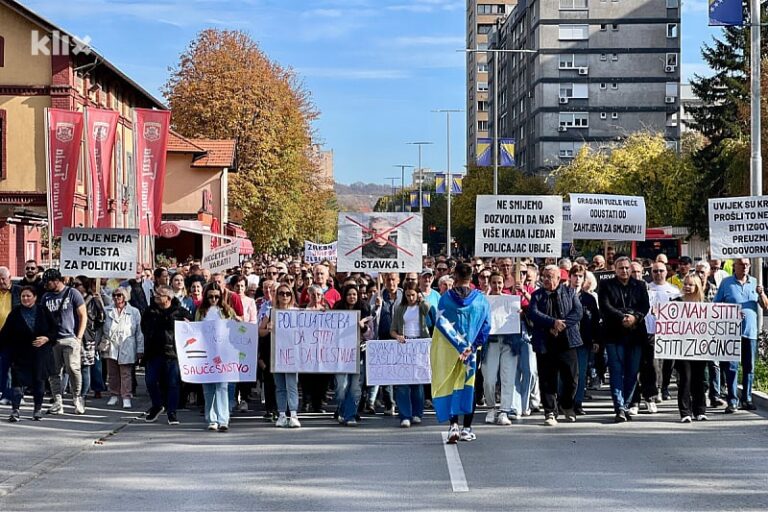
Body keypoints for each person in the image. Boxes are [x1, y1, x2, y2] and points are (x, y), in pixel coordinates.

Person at [432, 263, 491, 443]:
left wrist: (458, 345)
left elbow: (441, 323)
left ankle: (453, 425)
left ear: (455, 276)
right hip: (472, 353)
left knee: (451, 384)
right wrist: (471, 347)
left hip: (451, 352)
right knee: (469, 385)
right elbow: (486, 326)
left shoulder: (445, 299)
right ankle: (467, 427)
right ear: (471, 277)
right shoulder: (481, 300)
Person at [528, 265, 583, 426]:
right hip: (545, 342)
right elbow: (534, 313)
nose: (546, 279)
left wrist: (561, 325)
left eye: (550, 277)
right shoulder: (537, 295)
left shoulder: (570, 293)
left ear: (558, 279)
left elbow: (577, 313)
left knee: (572, 378)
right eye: (544, 276)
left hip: (567, 341)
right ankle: (550, 411)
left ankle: (566, 405)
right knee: (547, 379)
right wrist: (552, 323)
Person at [598, 256, 650, 423]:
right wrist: (622, 316)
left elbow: (644, 306)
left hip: (635, 335)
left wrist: (634, 317)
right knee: (616, 371)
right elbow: (605, 306)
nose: (625, 271)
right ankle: (619, 406)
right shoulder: (606, 285)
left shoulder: (640, 285)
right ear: (615, 269)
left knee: (632, 372)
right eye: (621, 268)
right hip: (614, 334)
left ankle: (626, 404)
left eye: (627, 268)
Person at [714, 258, 768, 413]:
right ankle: (732, 401)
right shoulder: (726, 283)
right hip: (731, 333)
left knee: (749, 367)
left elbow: (765, 305)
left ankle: (747, 398)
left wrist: (762, 293)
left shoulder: (755, 282)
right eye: (741, 264)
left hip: (750, 333)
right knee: (731, 367)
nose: (744, 267)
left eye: (746, 265)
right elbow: (716, 305)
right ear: (734, 267)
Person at [0, 286, 56, 422]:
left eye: (28, 296)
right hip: (20, 354)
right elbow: (5, 334)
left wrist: (47, 338)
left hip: (40, 354)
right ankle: (15, 410)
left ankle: (37, 410)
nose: (25, 298)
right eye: (23, 296)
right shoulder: (15, 313)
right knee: (17, 382)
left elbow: (55, 329)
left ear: (35, 297)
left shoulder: (43, 311)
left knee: (39, 381)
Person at [141, 284, 193, 425]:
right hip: (153, 353)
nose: (156, 296)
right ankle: (157, 405)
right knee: (150, 381)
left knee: (173, 384)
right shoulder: (149, 311)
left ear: (168, 298)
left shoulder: (180, 312)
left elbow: (191, 328)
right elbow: (144, 328)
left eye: (159, 295)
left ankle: (172, 412)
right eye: (156, 294)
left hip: (173, 354)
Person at [41, 269, 88, 415]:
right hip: (53, 340)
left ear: (56, 281)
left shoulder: (73, 293)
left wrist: (79, 338)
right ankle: (57, 401)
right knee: (53, 372)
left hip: (70, 337)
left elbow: (83, 315)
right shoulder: (46, 297)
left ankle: (77, 397)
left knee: (73, 369)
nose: (46, 285)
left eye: (48, 282)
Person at [483, 272, 526, 425]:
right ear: (489, 283)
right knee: (489, 379)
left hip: (509, 343)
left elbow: (523, 313)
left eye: (500, 282)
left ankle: (504, 411)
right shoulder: (484, 300)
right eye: (494, 282)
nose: (497, 286)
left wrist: (519, 315)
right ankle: (491, 408)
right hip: (491, 342)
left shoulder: (510, 299)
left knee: (508, 378)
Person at [259, 283, 301, 428]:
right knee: (280, 386)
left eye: (287, 293)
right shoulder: (271, 312)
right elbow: (260, 332)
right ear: (276, 295)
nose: (284, 296)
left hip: (292, 354)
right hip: (276, 354)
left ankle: (294, 414)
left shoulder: (297, 312)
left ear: (292, 296)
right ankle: (282, 414)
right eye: (281, 293)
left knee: (292, 385)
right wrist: (268, 328)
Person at [196, 283, 235, 432]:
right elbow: (196, 329)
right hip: (206, 354)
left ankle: (223, 419)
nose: (213, 299)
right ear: (206, 296)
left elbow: (235, 328)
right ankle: (212, 419)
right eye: (211, 296)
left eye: (217, 296)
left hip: (223, 354)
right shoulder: (201, 311)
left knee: (222, 387)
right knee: (208, 389)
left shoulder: (227, 311)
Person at [390, 282, 430, 428]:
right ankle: (405, 415)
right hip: (404, 345)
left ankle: (417, 413)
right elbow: (392, 329)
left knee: (417, 381)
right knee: (403, 382)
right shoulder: (400, 308)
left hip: (419, 345)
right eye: (408, 295)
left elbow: (428, 310)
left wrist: (422, 299)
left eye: (413, 295)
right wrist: (397, 336)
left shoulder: (421, 306)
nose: (410, 297)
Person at [334, 284, 372, 426]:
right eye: (349, 294)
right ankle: (342, 410)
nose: (352, 297)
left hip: (358, 353)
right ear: (345, 296)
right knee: (341, 387)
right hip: (341, 354)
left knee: (355, 386)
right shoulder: (337, 311)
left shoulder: (365, 311)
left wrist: (363, 327)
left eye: (354, 294)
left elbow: (371, 334)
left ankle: (350, 415)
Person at [674, 274, 710, 423]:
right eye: (686, 284)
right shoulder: (675, 303)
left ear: (697, 287)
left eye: (691, 285)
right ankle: (685, 412)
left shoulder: (706, 303)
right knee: (685, 379)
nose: (687, 287)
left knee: (699, 379)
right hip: (682, 348)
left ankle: (700, 411)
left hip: (700, 347)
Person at [101, 287, 143, 409]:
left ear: (125, 296)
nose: (116, 298)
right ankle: (114, 394)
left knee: (126, 373)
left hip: (127, 343)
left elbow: (139, 332)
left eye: (119, 295)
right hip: (112, 343)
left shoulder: (134, 311)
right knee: (112, 372)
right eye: (114, 295)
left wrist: (140, 349)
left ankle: (126, 396)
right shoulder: (107, 310)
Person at [567, 265, 600, 416]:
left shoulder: (589, 299)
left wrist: (596, 340)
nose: (577, 279)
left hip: (583, 341)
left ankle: (578, 403)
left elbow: (595, 321)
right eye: (575, 275)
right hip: (565, 341)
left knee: (580, 373)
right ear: (570, 277)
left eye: (580, 276)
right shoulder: (562, 295)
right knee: (566, 374)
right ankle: (565, 402)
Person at [0, 267, 21, 405]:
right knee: (3, 366)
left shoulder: (19, 291)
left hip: (15, 336)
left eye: (3, 278)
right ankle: (6, 394)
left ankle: (18, 394)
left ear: (10, 277)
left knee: (17, 366)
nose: (1, 282)